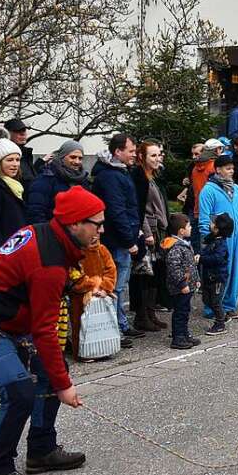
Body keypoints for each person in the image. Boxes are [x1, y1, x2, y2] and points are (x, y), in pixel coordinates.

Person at [0, 185, 105, 475]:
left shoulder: (43, 233)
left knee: (51, 369)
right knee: (19, 391)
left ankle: (41, 449)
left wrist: (57, 376)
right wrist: (65, 387)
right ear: (75, 223)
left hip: (8, 322)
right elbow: (45, 330)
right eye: (97, 223)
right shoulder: (48, 262)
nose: (101, 229)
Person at [91, 133, 144, 339]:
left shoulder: (119, 172)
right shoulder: (111, 176)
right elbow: (116, 211)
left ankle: (120, 324)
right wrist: (129, 240)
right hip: (117, 241)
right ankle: (114, 328)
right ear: (117, 152)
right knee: (115, 286)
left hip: (121, 237)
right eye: (131, 151)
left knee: (119, 286)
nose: (134, 155)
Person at [197, 155, 238, 319]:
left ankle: (230, 306)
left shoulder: (236, 189)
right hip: (220, 240)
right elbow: (204, 218)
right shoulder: (208, 190)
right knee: (218, 275)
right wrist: (208, 239)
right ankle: (213, 308)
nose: (231, 171)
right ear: (218, 170)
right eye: (228, 168)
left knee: (236, 273)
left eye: (232, 168)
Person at [129, 141, 169, 333]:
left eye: (158, 154)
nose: (157, 158)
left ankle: (151, 312)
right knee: (144, 274)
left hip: (158, 229)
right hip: (149, 231)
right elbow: (139, 208)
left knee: (155, 274)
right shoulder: (139, 177)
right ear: (142, 157)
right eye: (152, 155)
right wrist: (146, 233)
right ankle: (141, 316)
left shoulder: (154, 176)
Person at [67, 240, 118, 359]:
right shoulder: (75, 251)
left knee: (103, 322)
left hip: (100, 293)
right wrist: (91, 285)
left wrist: (105, 288)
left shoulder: (102, 249)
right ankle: (82, 352)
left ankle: (104, 349)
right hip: (80, 296)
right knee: (79, 323)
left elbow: (111, 270)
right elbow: (74, 276)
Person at [26, 140, 89, 224]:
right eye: (73, 157)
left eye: (80, 158)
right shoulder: (46, 178)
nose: (77, 162)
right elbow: (36, 212)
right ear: (62, 157)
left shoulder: (83, 180)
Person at [163, 213, 201, 349]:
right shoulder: (176, 247)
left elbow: (190, 265)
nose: (191, 228)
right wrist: (182, 283)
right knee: (180, 312)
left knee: (185, 311)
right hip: (180, 287)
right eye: (189, 226)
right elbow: (174, 267)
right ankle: (178, 337)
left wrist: (196, 279)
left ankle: (184, 334)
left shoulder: (183, 245)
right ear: (181, 230)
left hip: (188, 285)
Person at [200, 212, 232, 336]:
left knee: (215, 301)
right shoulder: (212, 239)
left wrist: (201, 258)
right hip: (209, 277)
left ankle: (220, 324)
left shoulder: (221, 244)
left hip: (217, 278)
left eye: (212, 223)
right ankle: (222, 316)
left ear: (218, 229)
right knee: (206, 299)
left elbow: (217, 258)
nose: (210, 224)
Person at [2, 118, 38, 191]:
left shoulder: (26, 154)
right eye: (18, 131)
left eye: (24, 130)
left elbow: (29, 177)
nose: (23, 134)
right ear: (7, 134)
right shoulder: (3, 156)